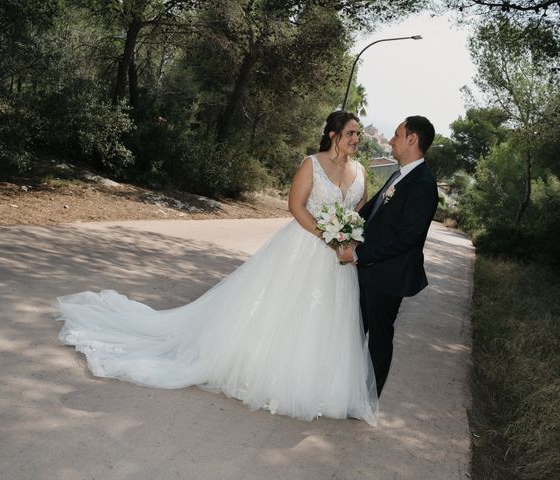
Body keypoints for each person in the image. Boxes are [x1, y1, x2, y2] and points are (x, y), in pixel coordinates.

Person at [56, 111, 378, 426]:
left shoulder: (360, 170)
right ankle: (270, 374)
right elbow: (295, 205)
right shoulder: (312, 164)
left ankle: (322, 387)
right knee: (285, 312)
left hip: (339, 261)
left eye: (358, 134)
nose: (356, 139)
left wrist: (348, 239)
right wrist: (327, 236)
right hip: (304, 247)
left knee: (326, 320)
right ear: (333, 134)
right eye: (351, 133)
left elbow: (361, 210)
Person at [337, 115, 438, 396]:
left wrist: (359, 255)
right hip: (368, 269)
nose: (391, 140)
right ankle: (343, 390)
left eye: (396, 135)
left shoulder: (423, 184)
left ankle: (366, 399)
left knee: (379, 339)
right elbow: (374, 210)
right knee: (352, 331)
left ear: (412, 139)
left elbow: (406, 237)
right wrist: (342, 228)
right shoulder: (400, 173)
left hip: (387, 276)